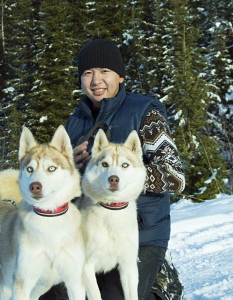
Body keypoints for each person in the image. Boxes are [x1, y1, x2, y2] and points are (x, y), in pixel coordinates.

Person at [41, 39, 185, 300]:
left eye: (104, 71)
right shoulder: (75, 124)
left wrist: (120, 178)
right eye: (87, 73)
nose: (96, 80)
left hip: (140, 233)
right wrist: (69, 169)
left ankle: (160, 281)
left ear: (120, 76)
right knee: (49, 291)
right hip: (88, 234)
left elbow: (175, 177)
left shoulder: (145, 113)